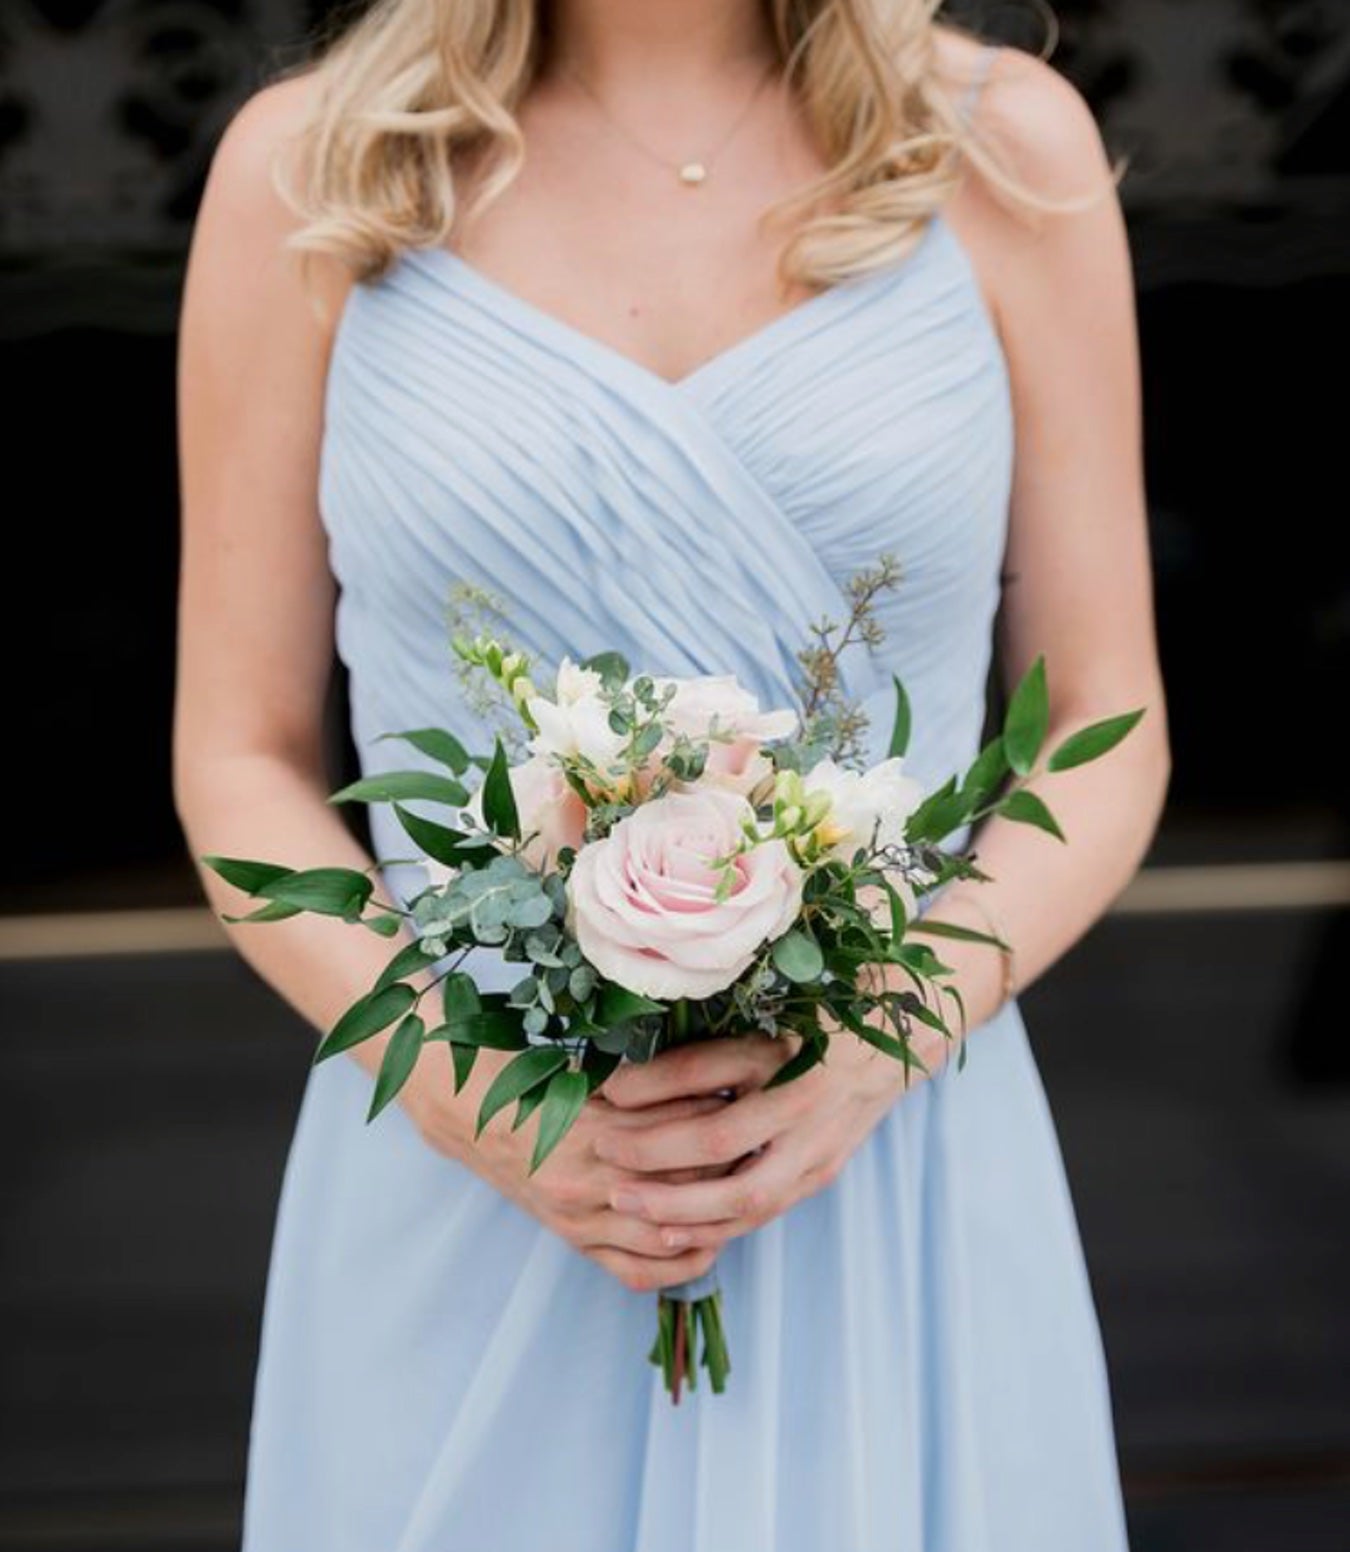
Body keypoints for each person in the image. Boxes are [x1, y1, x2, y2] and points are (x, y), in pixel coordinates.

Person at [173, 1, 1170, 1547]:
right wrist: (477, 1101)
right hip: (467, 1152)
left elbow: (1101, 726)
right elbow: (237, 759)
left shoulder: (999, 146)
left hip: (882, 1153)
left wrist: (877, 1046)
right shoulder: (314, 168)